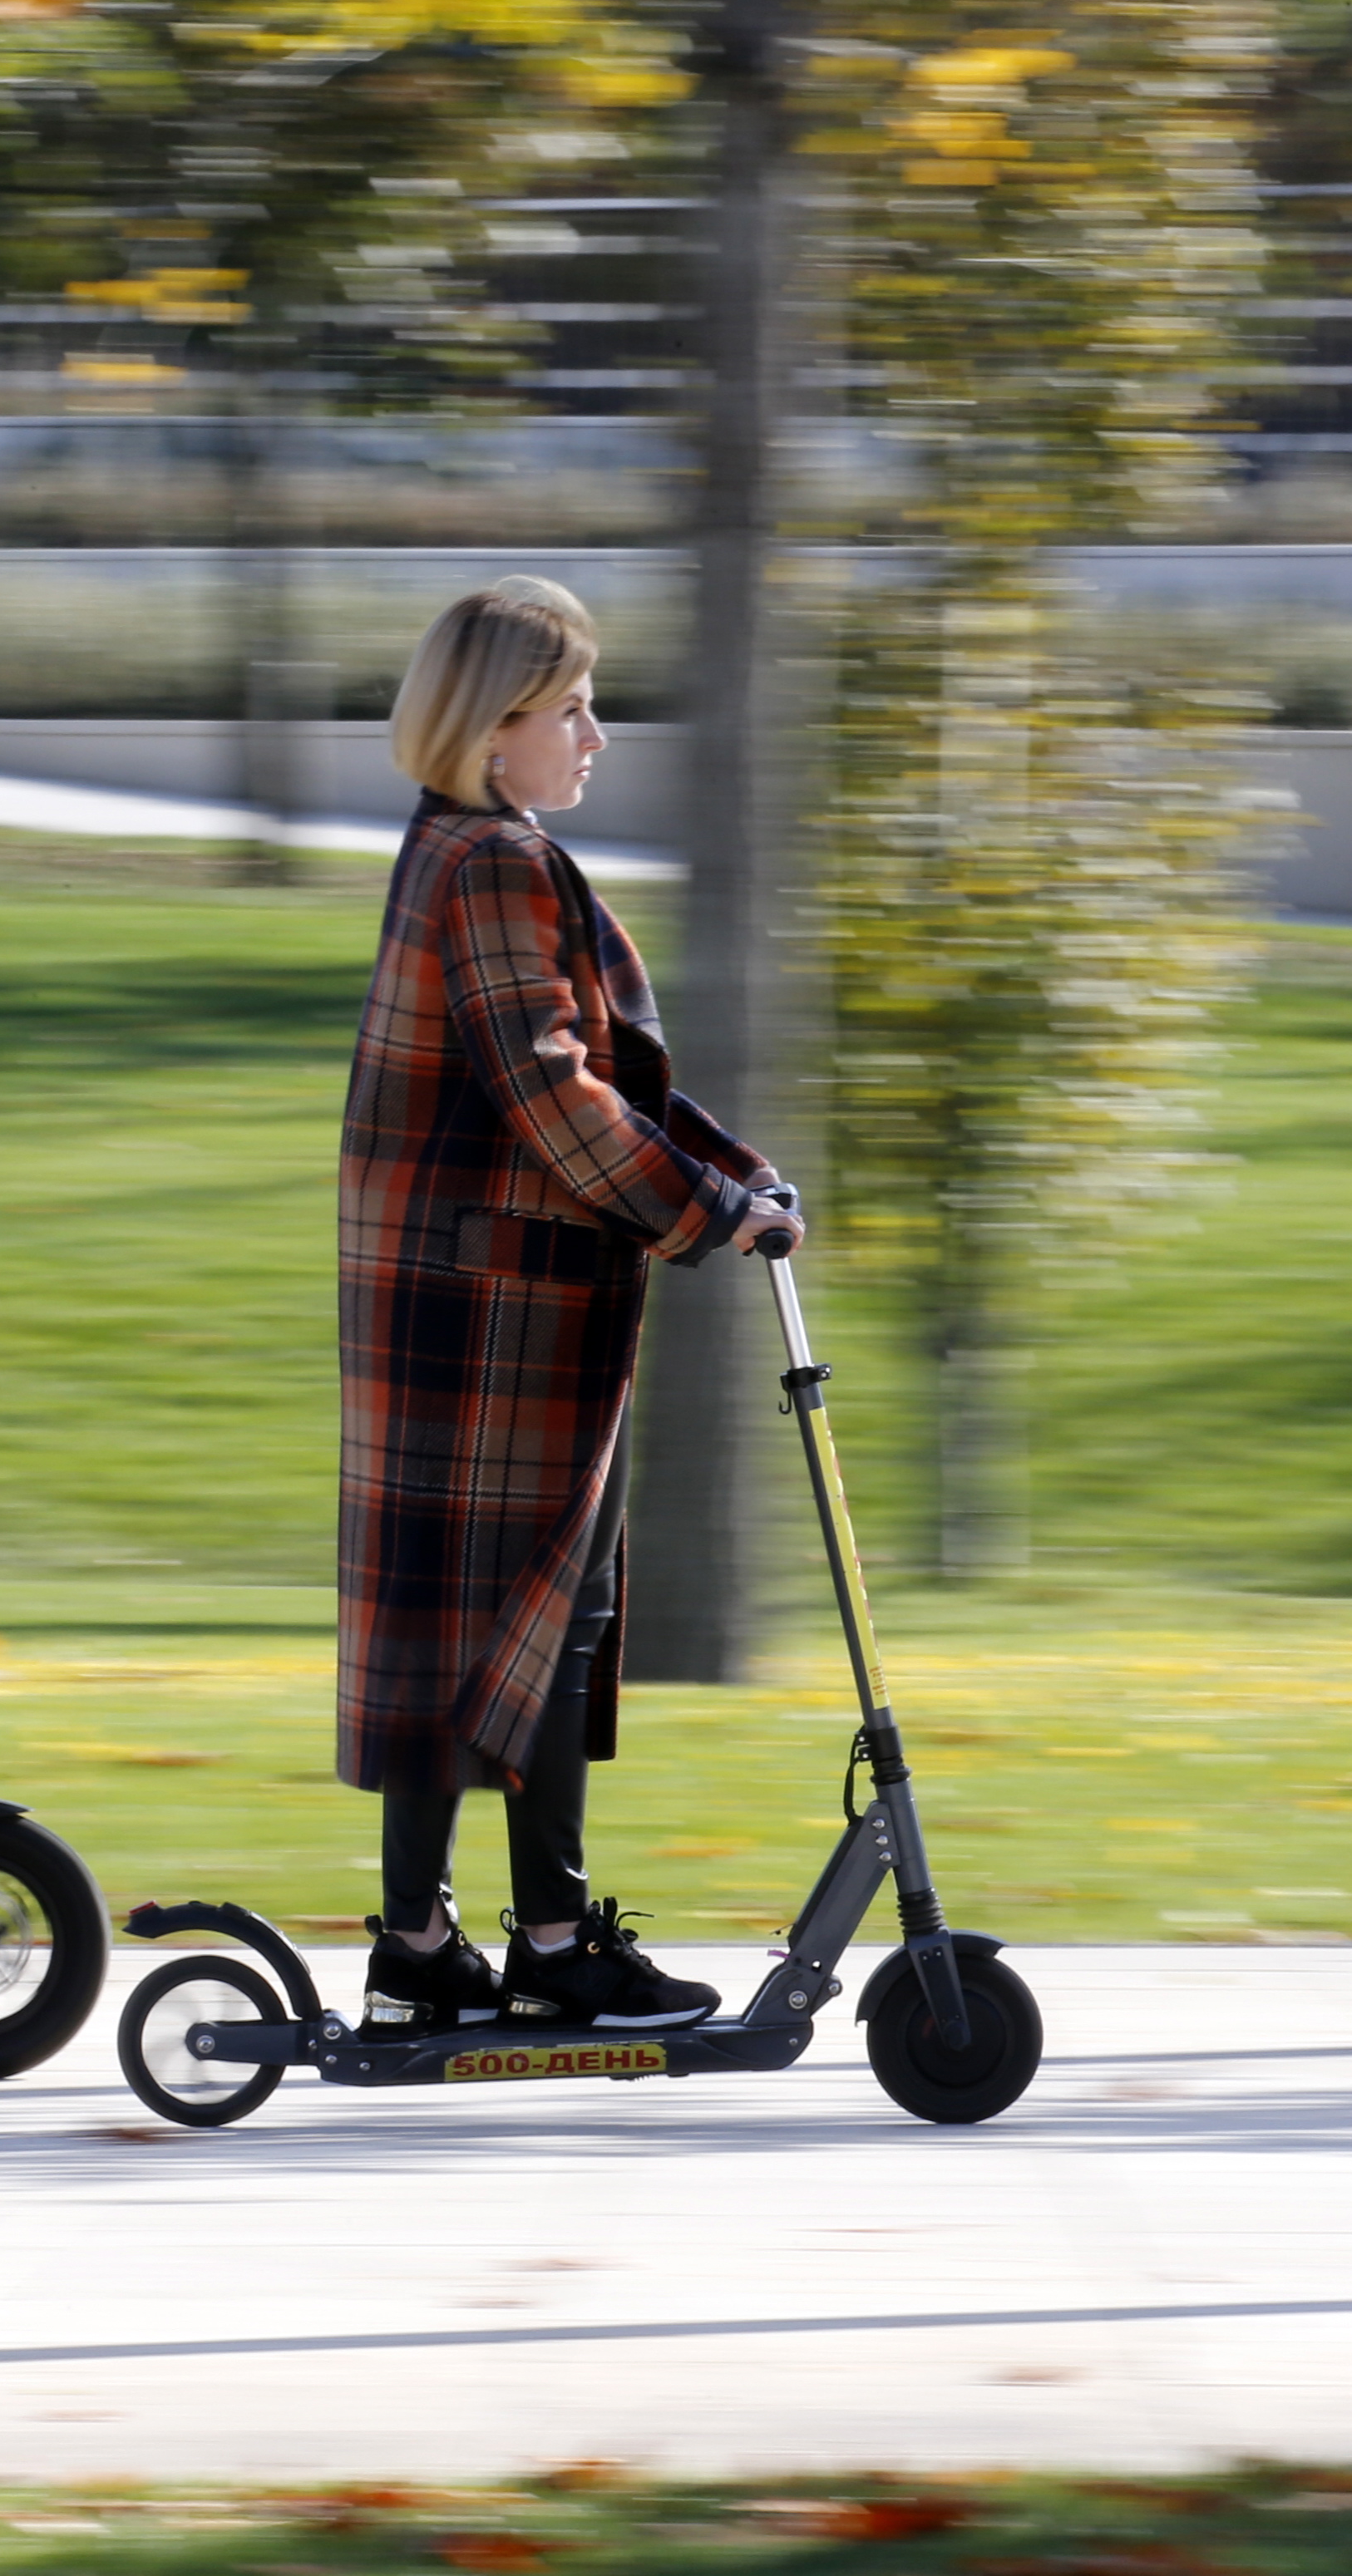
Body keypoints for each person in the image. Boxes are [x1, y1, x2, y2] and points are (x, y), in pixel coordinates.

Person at [338, 577, 803, 2034]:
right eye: (571, 706)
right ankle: (541, 1949)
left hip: (470, 1295)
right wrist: (704, 1209)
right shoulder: (493, 860)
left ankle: (427, 1948)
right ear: (495, 727)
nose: (596, 733)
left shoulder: (457, 846)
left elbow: (597, 1076)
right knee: (545, 1617)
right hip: (502, 1309)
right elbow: (553, 1091)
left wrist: (728, 1169)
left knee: (467, 1620)